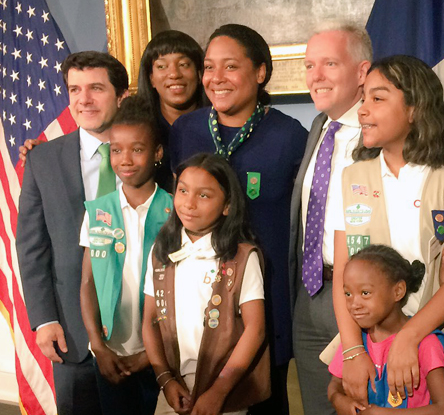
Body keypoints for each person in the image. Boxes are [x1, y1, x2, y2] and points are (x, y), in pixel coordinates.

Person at [331, 55, 444, 415]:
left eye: (378, 98)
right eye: (363, 97)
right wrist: (352, 350)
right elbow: (342, 273)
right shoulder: (353, 177)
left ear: (415, 109)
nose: (363, 109)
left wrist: (410, 337)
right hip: (369, 347)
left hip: (436, 350)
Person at [170, 24, 307, 415]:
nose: (216, 78)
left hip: (261, 303)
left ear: (260, 72)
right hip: (195, 300)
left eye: (230, 67)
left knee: (265, 401)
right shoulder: (186, 131)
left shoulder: (290, 136)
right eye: (209, 67)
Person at [16, 51, 129, 414]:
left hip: (141, 329)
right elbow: (31, 246)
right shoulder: (42, 159)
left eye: (96, 88)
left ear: (121, 96)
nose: (84, 100)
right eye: (75, 89)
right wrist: (45, 319)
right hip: (71, 331)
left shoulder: (150, 154)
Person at [142, 153, 270, 415]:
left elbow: (255, 329)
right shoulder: (161, 250)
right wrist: (165, 379)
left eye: (203, 195)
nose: (189, 203)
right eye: (183, 191)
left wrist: (219, 391)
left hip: (224, 389)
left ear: (227, 206)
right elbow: (149, 321)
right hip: (174, 386)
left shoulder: (242, 257)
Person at [288, 21, 371, 415]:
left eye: (329, 64)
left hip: (360, 297)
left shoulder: (379, 133)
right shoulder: (320, 126)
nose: (315, 76)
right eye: (309, 65)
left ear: (361, 72)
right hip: (310, 291)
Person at [79, 96, 172, 415]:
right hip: (110, 356)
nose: (126, 159)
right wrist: (97, 345)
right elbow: (87, 284)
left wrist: (149, 356)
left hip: (165, 355)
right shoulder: (98, 211)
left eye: (137, 148)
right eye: (116, 150)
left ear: (157, 153)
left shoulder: (176, 212)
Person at [328, 245, 444, 415]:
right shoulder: (356, 341)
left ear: (398, 291)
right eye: (348, 294)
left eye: (365, 293)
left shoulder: (426, 344)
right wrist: (339, 400)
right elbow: (334, 385)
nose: (354, 304)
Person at [137, 30, 205, 191]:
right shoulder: (140, 128)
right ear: (151, 78)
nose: (174, 74)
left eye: (183, 65)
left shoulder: (217, 125)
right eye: (162, 66)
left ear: (199, 73)